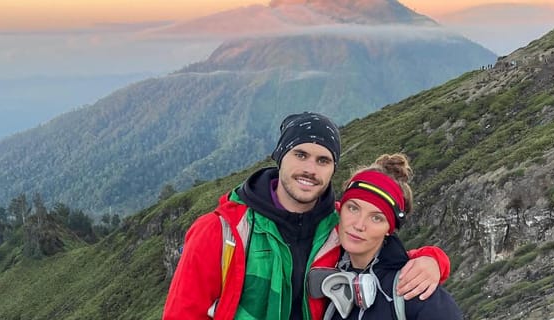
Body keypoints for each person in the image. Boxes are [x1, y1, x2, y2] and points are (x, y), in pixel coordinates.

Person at [163, 112, 451, 320]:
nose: (311, 169)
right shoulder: (222, 230)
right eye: (300, 155)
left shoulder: (340, 227)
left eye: (323, 160)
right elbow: (182, 313)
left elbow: (386, 257)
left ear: (332, 169)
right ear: (280, 157)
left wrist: (433, 260)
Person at [321, 153, 463, 320]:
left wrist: (435, 260)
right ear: (340, 209)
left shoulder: (416, 291)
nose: (359, 225)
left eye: (376, 218)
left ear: (389, 228)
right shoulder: (328, 275)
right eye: (353, 208)